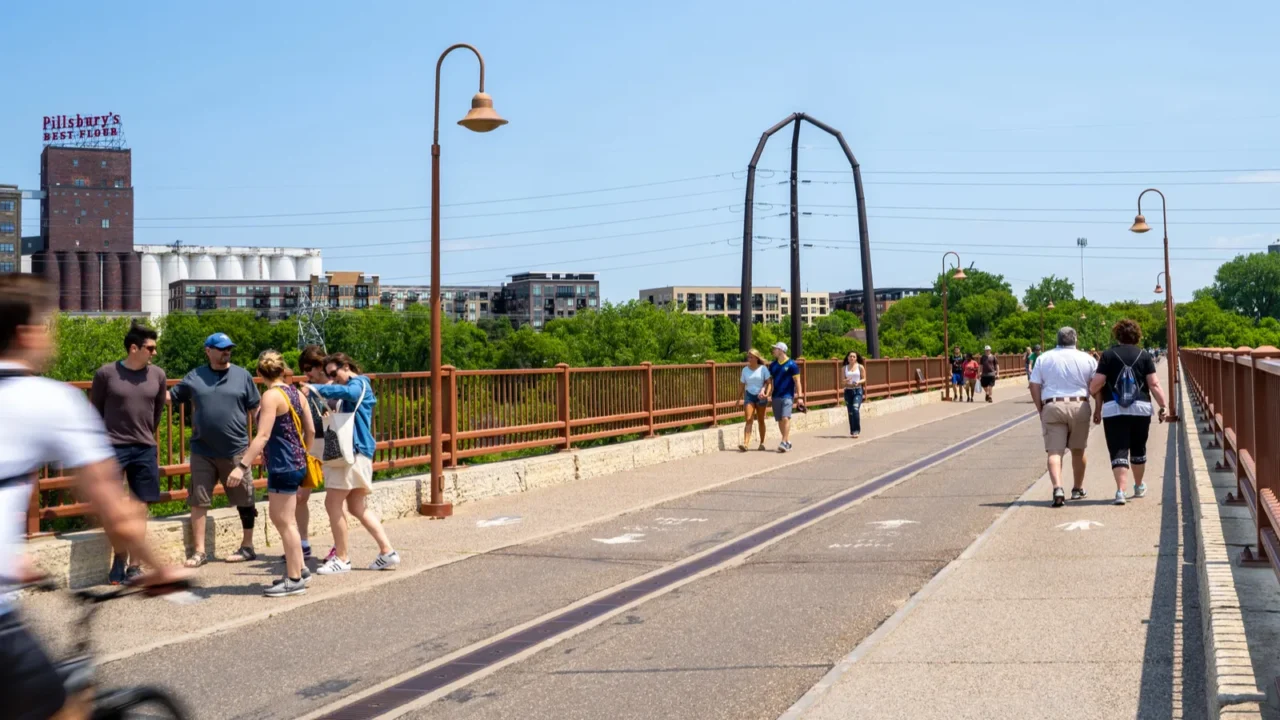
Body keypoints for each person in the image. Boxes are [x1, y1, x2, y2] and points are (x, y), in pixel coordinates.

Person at [0, 274, 187, 720]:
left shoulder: (155, 377)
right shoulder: (47, 399)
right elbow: (118, 515)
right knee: (62, 709)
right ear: (27, 333)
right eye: (48, 325)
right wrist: (163, 571)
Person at [169, 333, 262, 568]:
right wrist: (144, 387)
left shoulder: (243, 375)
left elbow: (256, 409)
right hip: (202, 450)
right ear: (207, 351)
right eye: (221, 349)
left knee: (245, 498)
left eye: (229, 348)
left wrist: (264, 437)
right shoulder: (195, 376)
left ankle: (247, 546)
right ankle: (200, 552)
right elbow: (172, 397)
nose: (226, 352)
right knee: (198, 499)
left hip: (236, 449)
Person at [89, 322, 168, 585]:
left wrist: (146, 435)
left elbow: (157, 412)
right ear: (134, 348)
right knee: (113, 508)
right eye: (150, 348)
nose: (154, 353)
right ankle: (119, 558)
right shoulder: (106, 374)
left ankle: (135, 565)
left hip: (145, 448)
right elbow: (95, 411)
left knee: (139, 508)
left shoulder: (158, 375)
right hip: (112, 448)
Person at [231, 351, 315, 596]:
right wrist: (303, 453)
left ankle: (294, 578)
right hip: (297, 462)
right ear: (283, 371)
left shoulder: (270, 396)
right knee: (286, 520)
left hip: (282, 464)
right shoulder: (296, 392)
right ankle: (300, 568)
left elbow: (263, 435)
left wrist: (242, 465)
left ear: (259, 374)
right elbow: (310, 429)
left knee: (283, 521)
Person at [310, 353, 400, 573]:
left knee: (332, 504)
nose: (333, 378)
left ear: (347, 366)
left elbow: (350, 392)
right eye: (328, 375)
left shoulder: (359, 383)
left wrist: (316, 388)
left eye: (334, 373)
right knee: (356, 506)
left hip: (350, 452)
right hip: (357, 452)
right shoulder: (355, 386)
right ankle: (387, 551)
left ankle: (342, 558)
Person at [1090, 320, 1168, 505]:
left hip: (1114, 408)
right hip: (1140, 408)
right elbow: (1154, 384)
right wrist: (1163, 406)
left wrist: (1097, 400)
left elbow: (1097, 383)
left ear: (1117, 335)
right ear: (1137, 336)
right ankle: (1139, 486)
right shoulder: (1144, 356)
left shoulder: (1108, 355)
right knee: (1138, 447)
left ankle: (1120, 491)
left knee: (1118, 449)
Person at [1029, 327, 1097, 507]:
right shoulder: (1088, 359)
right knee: (1078, 449)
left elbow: (1034, 385)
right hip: (1080, 404)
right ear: (1076, 340)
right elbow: (1096, 384)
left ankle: (1058, 488)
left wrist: (1040, 408)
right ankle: (1077, 488)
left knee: (1054, 452)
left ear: (1057, 339)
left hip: (1052, 404)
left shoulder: (1044, 358)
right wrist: (1098, 408)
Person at [297, 345, 332, 561]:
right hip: (311, 444)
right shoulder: (305, 389)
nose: (306, 373)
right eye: (304, 369)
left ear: (321, 365)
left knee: (334, 498)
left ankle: (339, 547)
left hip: (333, 442)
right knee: (300, 496)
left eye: (309, 368)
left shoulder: (335, 386)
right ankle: (302, 543)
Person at [767, 342, 803, 453]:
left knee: (785, 417)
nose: (773, 351)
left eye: (775, 349)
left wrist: (800, 397)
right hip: (776, 395)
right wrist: (766, 393)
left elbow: (797, 382)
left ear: (781, 350)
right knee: (780, 420)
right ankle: (787, 442)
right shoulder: (773, 365)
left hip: (788, 395)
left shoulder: (792, 365)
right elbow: (769, 381)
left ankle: (783, 441)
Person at [738, 348, 770, 452]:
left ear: (756, 358)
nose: (749, 359)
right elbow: (742, 385)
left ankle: (762, 442)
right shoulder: (745, 370)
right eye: (748, 357)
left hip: (760, 396)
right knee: (748, 419)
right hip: (749, 396)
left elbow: (769, 383)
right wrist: (738, 399)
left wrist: (766, 394)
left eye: (751, 357)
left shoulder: (763, 369)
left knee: (761, 420)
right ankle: (746, 444)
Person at [843, 350, 867, 438]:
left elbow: (864, 379)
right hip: (848, 391)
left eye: (854, 356)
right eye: (850, 356)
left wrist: (858, 382)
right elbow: (842, 381)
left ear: (856, 358)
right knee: (850, 412)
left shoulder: (860, 367)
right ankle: (852, 431)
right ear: (848, 358)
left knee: (855, 409)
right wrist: (846, 381)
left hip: (857, 390)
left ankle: (857, 430)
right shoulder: (844, 368)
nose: (852, 358)